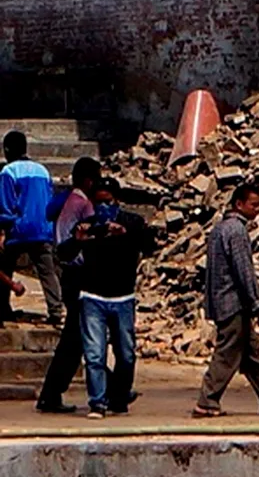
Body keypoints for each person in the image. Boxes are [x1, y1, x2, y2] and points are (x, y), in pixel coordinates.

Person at [58, 177, 156, 419]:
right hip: (92, 296)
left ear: (117, 201)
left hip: (123, 297)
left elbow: (150, 246)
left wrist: (126, 234)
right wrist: (78, 240)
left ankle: (119, 396)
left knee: (126, 353)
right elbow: (64, 254)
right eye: (98, 202)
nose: (103, 207)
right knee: (94, 353)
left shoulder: (132, 222)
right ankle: (98, 402)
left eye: (108, 202)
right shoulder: (88, 227)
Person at [193, 184, 259, 417]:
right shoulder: (237, 231)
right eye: (254, 205)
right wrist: (258, 305)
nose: (258, 210)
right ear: (239, 204)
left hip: (222, 300)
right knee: (227, 353)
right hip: (233, 302)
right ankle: (207, 401)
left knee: (249, 353)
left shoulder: (220, 229)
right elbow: (243, 271)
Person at [36, 157, 101, 413]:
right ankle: (52, 393)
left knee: (78, 338)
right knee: (77, 339)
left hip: (69, 275)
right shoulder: (84, 205)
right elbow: (92, 243)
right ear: (88, 180)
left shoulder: (67, 203)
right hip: (81, 276)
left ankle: (54, 392)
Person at [0, 131, 62, 325]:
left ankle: (3, 308)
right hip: (43, 228)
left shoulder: (8, 172)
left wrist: (3, 229)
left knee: (5, 267)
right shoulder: (42, 171)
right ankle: (56, 309)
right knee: (47, 271)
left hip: (18, 228)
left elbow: (6, 203)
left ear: (7, 150)